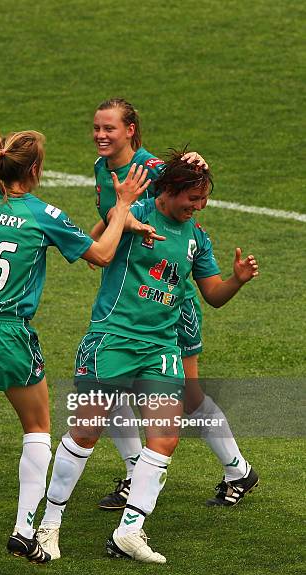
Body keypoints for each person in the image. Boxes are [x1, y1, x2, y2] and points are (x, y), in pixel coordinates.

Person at [0, 130, 154, 575]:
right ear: (35, 172)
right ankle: (24, 529)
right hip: (9, 336)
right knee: (37, 428)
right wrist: (122, 206)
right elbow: (100, 254)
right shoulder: (43, 214)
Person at [36, 151, 259, 563]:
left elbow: (212, 295)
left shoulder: (196, 237)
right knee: (86, 432)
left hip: (161, 347)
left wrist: (236, 281)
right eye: (192, 197)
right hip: (112, 339)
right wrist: (121, 213)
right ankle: (48, 526)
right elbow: (95, 251)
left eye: (203, 198)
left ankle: (129, 531)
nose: (198, 206)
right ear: (170, 191)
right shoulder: (133, 214)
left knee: (165, 437)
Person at [88, 98, 257, 510]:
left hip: (167, 307)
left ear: (131, 130)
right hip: (131, 298)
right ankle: (136, 473)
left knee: (186, 397)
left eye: (109, 128)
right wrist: (94, 243)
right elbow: (114, 214)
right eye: (96, 127)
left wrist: (193, 160)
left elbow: (186, 183)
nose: (101, 135)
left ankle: (235, 469)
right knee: (112, 390)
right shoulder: (102, 168)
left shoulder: (152, 172)